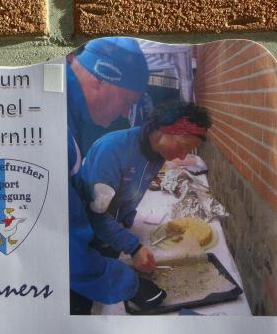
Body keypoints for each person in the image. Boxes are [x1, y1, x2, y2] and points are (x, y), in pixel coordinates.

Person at [73, 103, 212, 311]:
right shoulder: (112, 150)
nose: (183, 157)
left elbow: (130, 194)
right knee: (84, 300)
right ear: (166, 129)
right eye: (183, 146)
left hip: (113, 232)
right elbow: (95, 215)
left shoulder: (157, 155)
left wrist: (125, 223)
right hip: (84, 238)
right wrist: (134, 247)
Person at [66, 38, 151, 314]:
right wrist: (127, 283)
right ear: (100, 79)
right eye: (126, 101)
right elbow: (59, 240)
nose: (125, 113)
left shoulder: (69, 112)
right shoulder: (53, 123)